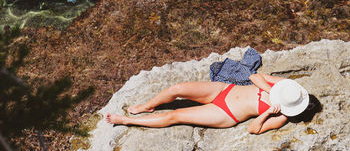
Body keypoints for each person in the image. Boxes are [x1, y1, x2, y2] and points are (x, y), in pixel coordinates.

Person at [105, 73, 309, 134]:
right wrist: (271, 90)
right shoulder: (285, 86)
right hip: (223, 90)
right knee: (176, 89)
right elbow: (255, 76)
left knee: (173, 116)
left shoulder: (282, 115)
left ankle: (126, 121)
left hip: (226, 112)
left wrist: (266, 114)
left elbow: (253, 130)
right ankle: (147, 106)